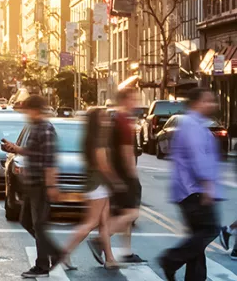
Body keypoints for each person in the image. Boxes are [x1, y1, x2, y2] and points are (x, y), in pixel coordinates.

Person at [159, 88, 221, 281]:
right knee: (209, 230)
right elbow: (197, 157)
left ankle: (194, 277)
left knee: (197, 239)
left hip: (187, 190)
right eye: (207, 101)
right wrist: (207, 185)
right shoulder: (192, 126)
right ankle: (171, 259)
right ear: (195, 103)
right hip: (194, 190)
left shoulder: (192, 124)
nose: (212, 105)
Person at [2, 95, 63, 278]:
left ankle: (42, 265)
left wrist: (51, 186)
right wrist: (15, 148)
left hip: (41, 185)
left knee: (39, 225)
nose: (25, 115)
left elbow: (50, 159)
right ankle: (54, 252)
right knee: (27, 221)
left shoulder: (45, 129)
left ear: (35, 110)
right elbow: (32, 152)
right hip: (32, 183)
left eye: (27, 111)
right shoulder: (36, 127)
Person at [61, 108, 121, 269]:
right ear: (97, 121)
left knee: (104, 223)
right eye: (104, 117)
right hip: (98, 184)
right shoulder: (98, 139)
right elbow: (103, 164)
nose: (107, 120)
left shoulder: (91, 137)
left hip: (97, 184)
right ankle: (64, 252)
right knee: (91, 222)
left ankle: (109, 258)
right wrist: (116, 181)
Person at [92, 88, 145, 265]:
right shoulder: (123, 122)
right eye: (133, 99)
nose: (136, 102)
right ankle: (99, 240)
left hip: (115, 174)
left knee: (123, 212)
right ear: (125, 100)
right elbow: (126, 152)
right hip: (124, 175)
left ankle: (126, 251)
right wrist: (131, 175)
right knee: (131, 213)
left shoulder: (116, 119)